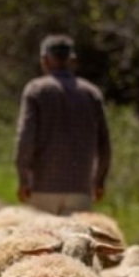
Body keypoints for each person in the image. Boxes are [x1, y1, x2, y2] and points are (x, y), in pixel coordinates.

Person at [13, 34, 111, 215]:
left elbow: (25, 138)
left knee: (42, 240)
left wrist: (23, 179)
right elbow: (104, 145)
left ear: (44, 60)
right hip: (80, 187)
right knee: (75, 241)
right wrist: (99, 181)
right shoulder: (91, 93)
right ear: (72, 60)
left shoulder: (36, 90)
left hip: (42, 187)